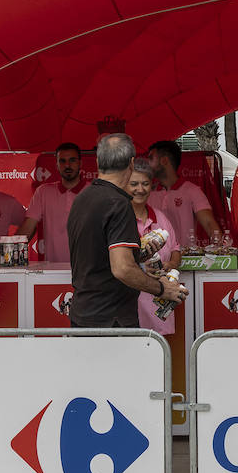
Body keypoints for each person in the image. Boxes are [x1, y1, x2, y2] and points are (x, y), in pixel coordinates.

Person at [67, 133, 186, 328]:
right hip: (112, 319)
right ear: (131, 164)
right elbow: (122, 268)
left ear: (98, 162)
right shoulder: (118, 203)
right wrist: (161, 288)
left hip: (83, 314)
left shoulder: (82, 199)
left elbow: (98, 257)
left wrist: (138, 257)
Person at [129, 157, 181, 334]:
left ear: (152, 185)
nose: (140, 189)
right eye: (134, 183)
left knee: (158, 352)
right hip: (130, 303)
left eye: (145, 183)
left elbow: (176, 248)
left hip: (159, 301)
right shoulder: (120, 219)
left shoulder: (160, 217)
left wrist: (171, 264)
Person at [20, 142, 85, 265]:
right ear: (57, 165)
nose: (67, 165)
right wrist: (5, 252)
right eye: (62, 161)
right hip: (54, 270)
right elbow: (28, 228)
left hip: (88, 271)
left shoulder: (94, 191)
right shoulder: (43, 191)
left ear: (80, 163)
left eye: (72, 160)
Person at [148, 140, 221, 248]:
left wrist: (219, 253)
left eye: (151, 158)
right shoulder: (147, 193)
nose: (147, 163)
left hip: (185, 261)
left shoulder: (192, 191)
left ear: (164, 161)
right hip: (154, 260)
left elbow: (209, 224)